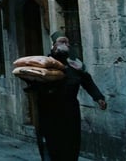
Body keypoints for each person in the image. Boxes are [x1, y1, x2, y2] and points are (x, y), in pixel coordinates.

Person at [29, 32, 107, 161]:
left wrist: (99, 98)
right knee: (52, 145)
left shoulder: (75, 65)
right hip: (49, 112)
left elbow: (87, 81)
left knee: (71, 144)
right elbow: (33, 80)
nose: (66, 45)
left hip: (70, 112)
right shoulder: (45, 65)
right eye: (62, 42)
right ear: (53, 46)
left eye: (67, 43)